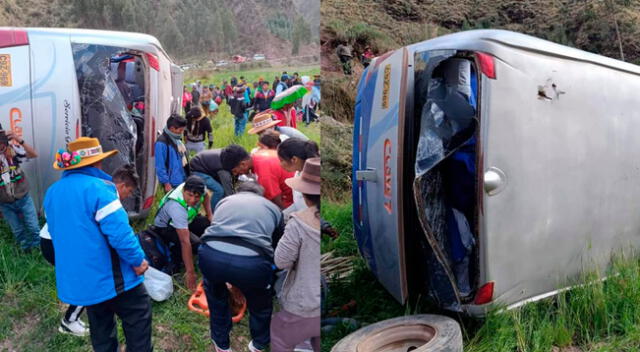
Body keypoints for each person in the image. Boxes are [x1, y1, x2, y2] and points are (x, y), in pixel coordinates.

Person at [44, 137, 151, 352]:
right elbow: (121, 235)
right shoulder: (101, 189)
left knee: (101, 328)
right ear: (96, 162)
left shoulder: (52, 193)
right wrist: (138, 261)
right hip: (113, 279)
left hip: (83, 282)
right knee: (138, 315)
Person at [39, 164, 139, 337]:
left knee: (85, 276)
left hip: (51, 239)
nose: (127, 197)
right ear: (122, 186)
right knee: (87, 277)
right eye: (129, 192)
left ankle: (74, 317)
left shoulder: (76, 187)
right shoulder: (102, 192)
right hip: (53, 241)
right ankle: (68, 321)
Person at [198, 181, 284, 352]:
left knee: (216, 299)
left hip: (211, 255)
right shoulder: (273, 209)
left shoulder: (225, 201)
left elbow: (217, 227)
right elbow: (277, 248)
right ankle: (258, 345)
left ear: (238, 192)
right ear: (261, 195)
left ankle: (222, 345)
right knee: (261, 305)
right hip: (252, 263)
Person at [271, 158, 321, 352]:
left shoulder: (300, 222)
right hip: (321, 297)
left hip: (305, 301)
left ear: (305, 194)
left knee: (279, 337)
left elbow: (281, 261)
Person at [148, 175, 213, 291]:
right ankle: (177, 258)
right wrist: (190, 272)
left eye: (197, 197)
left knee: (206, 224)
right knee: (196, 244)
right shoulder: (176, 207)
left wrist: (210, 215)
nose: (193, 200)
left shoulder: (198, 188)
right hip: (166, 228)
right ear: (184, 190)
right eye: (190, 195)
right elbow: (185, 241)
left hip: (185, 220)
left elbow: (206, 195)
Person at [0, 128, 39, 251]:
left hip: (23, 198)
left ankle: (38, 251)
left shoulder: (12, 151)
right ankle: (25, 253)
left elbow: (33, 154)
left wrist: (18, 139)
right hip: (5, 203)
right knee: (18, 231)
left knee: (33, 227)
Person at [190, 144, 248, 210]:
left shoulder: (228, 158)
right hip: (197, 170)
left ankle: (220, 208)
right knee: (219, 190)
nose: (240, 173)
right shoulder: (224, 168)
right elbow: (228, 190)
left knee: (222, 190)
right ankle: (212, 212)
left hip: (204, 168)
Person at [277, 138, 319, 218]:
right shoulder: (298, 172)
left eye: (281, 160)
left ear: (294, 159)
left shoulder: (313, 179)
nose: (280, 164)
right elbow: (298, 204)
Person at [252, 131, 294, 210]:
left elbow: (273, 195)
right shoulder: (282, 152)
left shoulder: (264, 160)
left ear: (263, 146)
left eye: (260, 147)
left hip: (289, 203)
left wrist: (282, 215)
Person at [155, 114, 189, 192]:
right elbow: (160, 166)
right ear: (172, 128)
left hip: (182, 180)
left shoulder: (177, 139)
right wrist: (166, 183)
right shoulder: (161, 143)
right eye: (180, 130)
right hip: (172, 183)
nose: (181, 133)